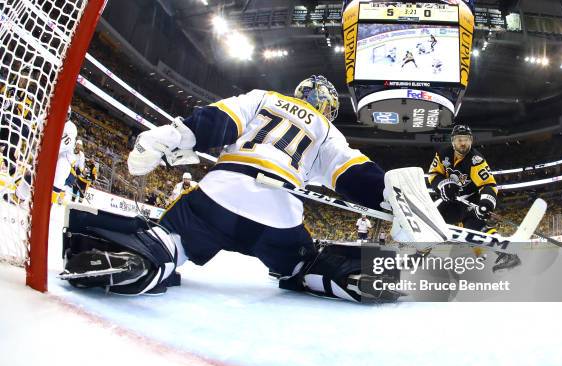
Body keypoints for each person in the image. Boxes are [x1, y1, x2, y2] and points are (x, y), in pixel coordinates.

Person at [61, 75, 448, 301]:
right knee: (300, 261)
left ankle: (144, 258)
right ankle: (333, 274)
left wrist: (170, 137)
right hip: (278, 217)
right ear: (327, 106)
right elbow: (353, 175)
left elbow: (216, 122)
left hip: (220, 195)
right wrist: (391, 196)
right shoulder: (328, 130)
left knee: (175, 236)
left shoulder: (263, 98)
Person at [428, 124, 521, 272]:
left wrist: (486, 203)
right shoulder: (442, 154)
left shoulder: (476, 160)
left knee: (475, 227)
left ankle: (507, 254)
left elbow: (488, 184)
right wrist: (442, 185)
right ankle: (421, 253)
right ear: (453, 141)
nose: (463, 143)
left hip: (471, 200)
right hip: (451, 200)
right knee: (431, 220)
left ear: (471, 141)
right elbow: (433, 174)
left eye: (466, 139)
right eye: (459, 140)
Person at [52, 106, 77, 204]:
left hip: (65, 157)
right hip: (51, 153)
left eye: (65, 115)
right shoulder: (51, 118)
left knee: (58, 179)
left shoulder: (71, 127)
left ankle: (49, 203)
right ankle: (20, 196)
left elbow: (63, 146)